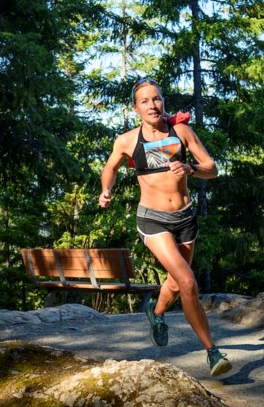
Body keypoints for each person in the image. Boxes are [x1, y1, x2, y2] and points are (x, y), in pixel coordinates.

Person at [98, 77, 233, 377]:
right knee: (187, 281)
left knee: (175, 281)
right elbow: (110, 168)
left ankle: (156, 313)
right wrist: (106, 189)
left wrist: (191, 168)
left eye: (156, 99)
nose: (152, 105)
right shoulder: (128, 141)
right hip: (153, 219)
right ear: (135, 108)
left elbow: (212, 168)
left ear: (163, 102)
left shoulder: (181, 132)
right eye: (144, 101)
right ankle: (213, 353)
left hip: (185, 218)